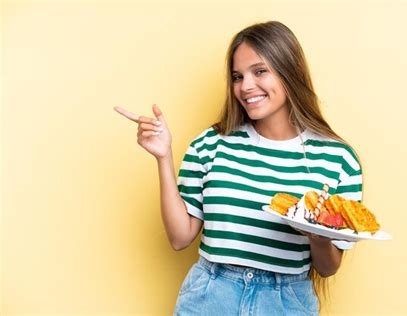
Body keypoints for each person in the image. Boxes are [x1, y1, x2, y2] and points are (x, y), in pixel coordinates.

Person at [114, 21, 362, 316]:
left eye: (259, 71)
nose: (245, 86)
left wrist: (318, 236)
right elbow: (180, 237)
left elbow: (328, 267)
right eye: (237, 76)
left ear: (288, 70)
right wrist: (163, 157)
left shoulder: (337, 160)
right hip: (209, 297)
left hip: (284, 302)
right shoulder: (211, 144)